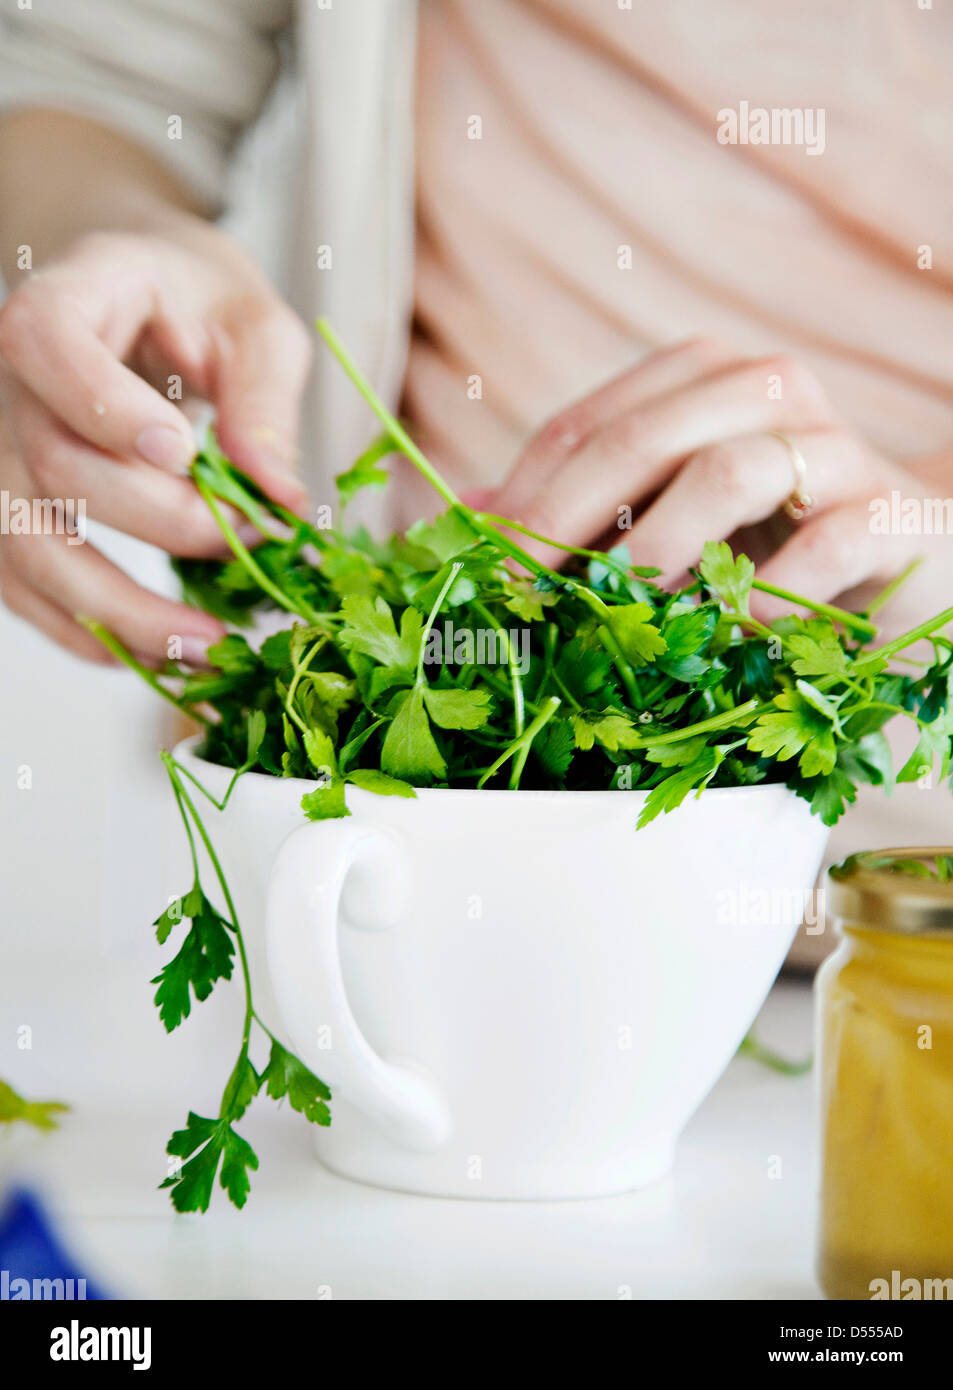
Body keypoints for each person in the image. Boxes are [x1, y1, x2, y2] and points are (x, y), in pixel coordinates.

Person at [1, 0, 951, 891]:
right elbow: (97, 75)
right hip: (395, 850)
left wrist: (912, 529)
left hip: (905, 875)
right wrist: (107, 250)